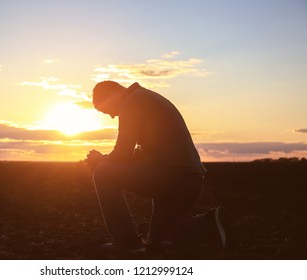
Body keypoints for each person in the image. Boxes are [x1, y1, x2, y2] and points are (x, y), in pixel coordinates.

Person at [85, 81, 225, 254]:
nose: (112, 116)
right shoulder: (146, 98)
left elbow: (123, 153)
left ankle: (127, 243)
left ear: (110, 94)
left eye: (106, 110)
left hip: (175, 178)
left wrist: (101, 160)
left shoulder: (133, 101)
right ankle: (211, 222)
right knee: (156, 244)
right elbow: (140, 154)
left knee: (103, 172)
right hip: (188, 182)